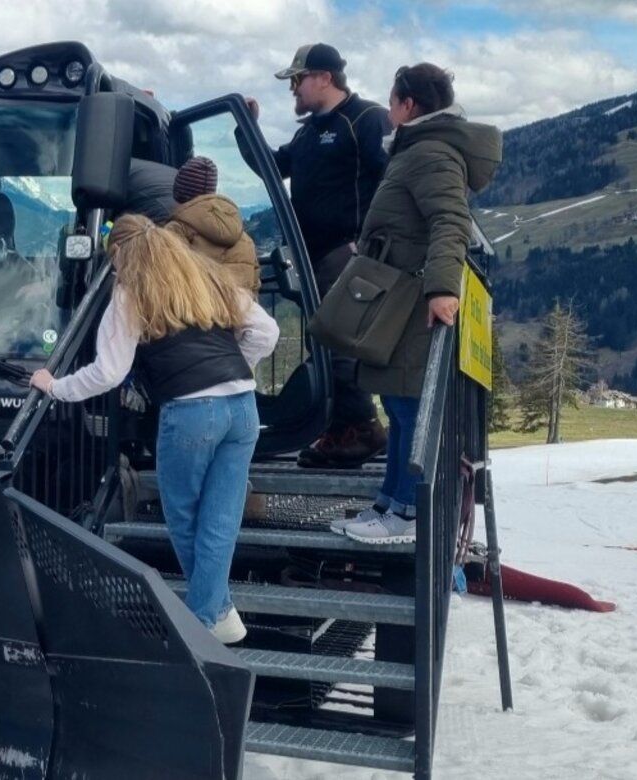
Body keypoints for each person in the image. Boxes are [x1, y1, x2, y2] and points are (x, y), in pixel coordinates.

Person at [29, 215, 279, 642]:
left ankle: (204, 620)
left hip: (190, 410)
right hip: (242, 407)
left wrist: (56, 388)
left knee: (184, 516)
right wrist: (237, 368)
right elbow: (267, 330)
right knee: (221, 517)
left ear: (122, 255)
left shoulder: (130, 293)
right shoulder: (208, 278)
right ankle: (218, 614)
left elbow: (108, 372)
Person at [330, 63, 501, 544]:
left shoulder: (430, 153)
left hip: (413, 301)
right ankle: (389, 503)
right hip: (399, 294)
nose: (387, 112)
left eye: (391, 101)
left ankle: (406, 513)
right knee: (398, 404)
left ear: (408, 106)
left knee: (408, 407)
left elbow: (450, 220)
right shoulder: (420, 151)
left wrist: (442, 288)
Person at [246, 42, 392, 469]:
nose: (293, 89)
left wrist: (366, 242)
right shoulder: (307, 133)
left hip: (346, 251)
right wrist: (248, 129)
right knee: (325, 341)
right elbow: (273, 167)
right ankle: (341, 428)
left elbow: (390, 177)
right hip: (312, 257)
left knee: (340, 341)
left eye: (297, 79)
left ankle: (362, 428)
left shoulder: (365, 119)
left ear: (324, 77)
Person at [165, 157, 260, 292]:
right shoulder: (245, 239)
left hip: (195, 312)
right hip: (241, 311)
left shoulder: (176, 231)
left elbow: (165, 282)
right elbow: (254, 287)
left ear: (180, 193)